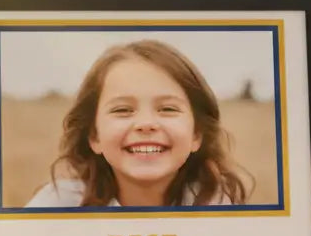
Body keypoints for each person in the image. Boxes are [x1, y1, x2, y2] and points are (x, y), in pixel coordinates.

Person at [25, 39, 251, 209]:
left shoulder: (221, 214)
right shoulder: (56, 207)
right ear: (94, 136)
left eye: (168, 109)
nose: (146, 124)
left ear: (196, 135)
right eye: (123, 110)